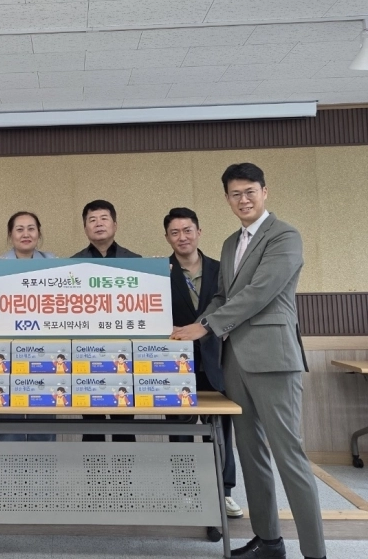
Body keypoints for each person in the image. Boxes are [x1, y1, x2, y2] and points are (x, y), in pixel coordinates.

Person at [171, 164, 326, 559]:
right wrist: (195, 325)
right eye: (235, 194)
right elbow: (223, 295)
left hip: (273, 358)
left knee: (288, 455)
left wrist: (206, 325)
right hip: (234, 359)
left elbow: (261, 291)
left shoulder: (285, 235)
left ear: (264, 191)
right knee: (250, 453)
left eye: (250, 191)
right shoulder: (229, 243)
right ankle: (269, 542)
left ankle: (315, 552)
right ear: (227, 199)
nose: (243, 199)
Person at [164, 207, 242, 521]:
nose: (182, 237)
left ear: (199, 232)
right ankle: (185, 491)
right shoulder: (160, 273)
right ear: (167, 237)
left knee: (220, 429)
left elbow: (233, 309)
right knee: (179, 429)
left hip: (216, 360)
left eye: (187, 230)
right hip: (174, 365)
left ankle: (225, 491)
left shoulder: (221, 269)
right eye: (175, 232)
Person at [72, 200, 141, 442]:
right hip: (87, 351)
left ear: (115, 224)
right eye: (92, 220)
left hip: (124, 351)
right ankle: (94, 467)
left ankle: (125, 467)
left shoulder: (137, 262)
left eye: (104, 218)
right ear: (85, 228)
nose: (98, 224)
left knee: (124, 421)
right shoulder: (71, 265)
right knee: (92, 422)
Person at [0, 211, 57, 442]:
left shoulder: (53, 262)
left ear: (38, 233)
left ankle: (44, 460)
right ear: (11, 235)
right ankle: (7, 460)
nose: (26, 234)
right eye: (19, 229)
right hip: (7, 346)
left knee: (43, 405)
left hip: (45, 347)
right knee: (8, 405)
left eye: (31, 228)